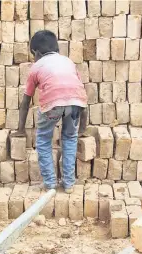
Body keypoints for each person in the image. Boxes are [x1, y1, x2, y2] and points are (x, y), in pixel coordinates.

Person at [10, 30, 88, 193]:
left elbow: (26, 101)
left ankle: (50, 184)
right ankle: (68, 184)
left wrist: (21, 129)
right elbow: (81, 94)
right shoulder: (68, 62)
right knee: (70, 138)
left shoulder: (37, 67)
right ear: (57, 50)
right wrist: (82, 129)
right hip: (76, 104)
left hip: (52, 105)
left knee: (44, 141)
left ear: (36, 53)